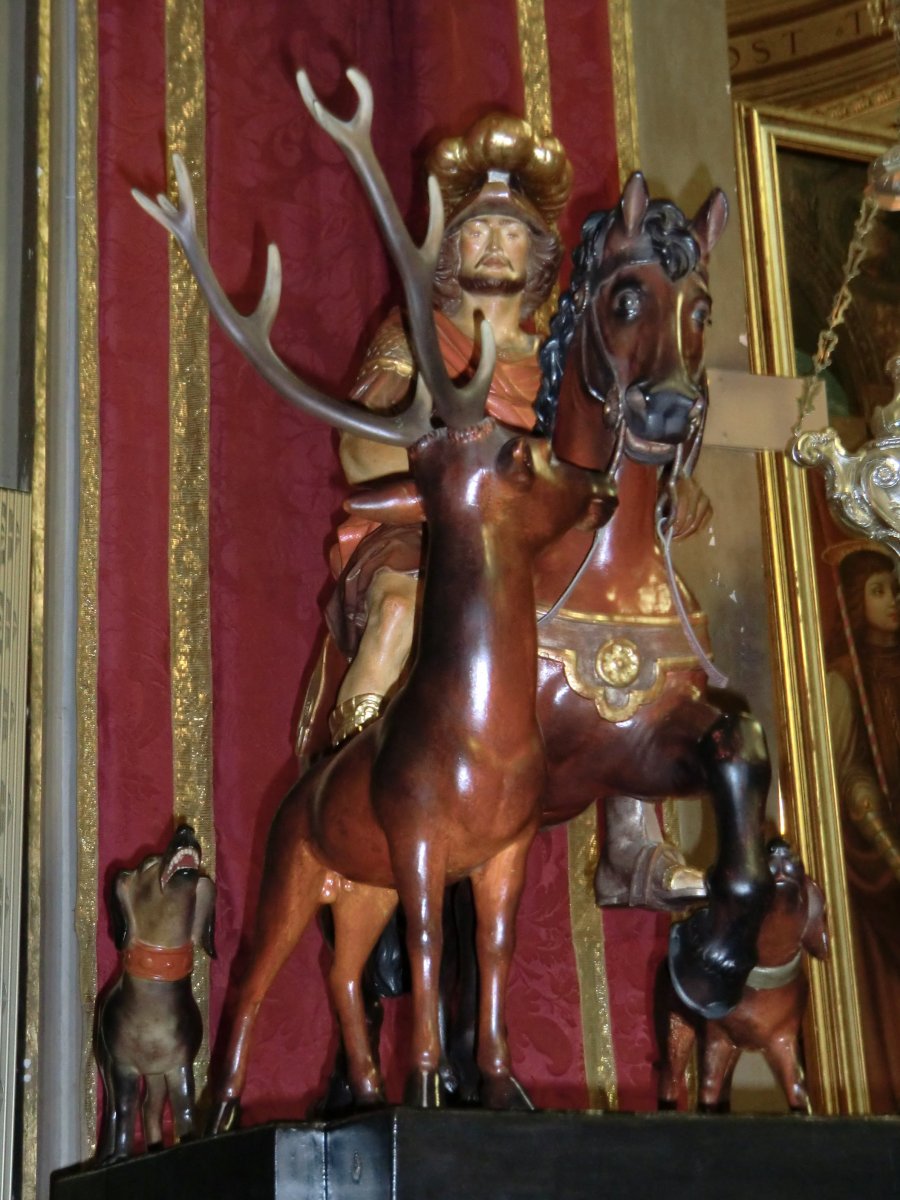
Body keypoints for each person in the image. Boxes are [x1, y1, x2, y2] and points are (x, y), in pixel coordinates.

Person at [825, 541, 900, 1111]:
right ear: (855, 600)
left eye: (895, 589)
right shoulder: (843, 680)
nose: (893, 601)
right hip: (878, 854)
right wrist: (876, 827)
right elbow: (847, 768)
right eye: (878, 591)